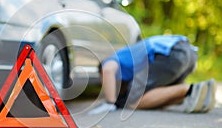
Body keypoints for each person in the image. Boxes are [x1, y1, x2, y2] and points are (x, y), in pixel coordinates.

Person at [88, 35, 216, 115]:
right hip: (189, 53)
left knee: (133, 102)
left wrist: (110, 102)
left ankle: (189, 88)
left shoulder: (112, 59)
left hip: (169, 53)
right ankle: (196, 92)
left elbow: (107, 70)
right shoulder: (130, 63)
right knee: (154, 95)